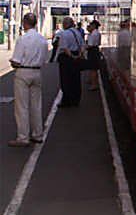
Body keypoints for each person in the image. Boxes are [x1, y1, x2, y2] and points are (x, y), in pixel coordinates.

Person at [8, 13, 48, 147]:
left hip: (23, 73)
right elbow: (45, 59)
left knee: (22, 107)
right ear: (36, 23)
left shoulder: (22, 39)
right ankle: (38, 134)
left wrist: (13, 63)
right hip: (37, 72)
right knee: (36, 105)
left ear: (25, 23)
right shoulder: (43, 40)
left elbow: (16, 61)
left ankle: (23, 137)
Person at [57, 17, 85, 107]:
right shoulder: (77, 32)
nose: (63, 25)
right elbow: (82, 45)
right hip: (77, 56)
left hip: (67, 58)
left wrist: (72, 56)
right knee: (76, 79)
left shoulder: (64, 34)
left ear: (66, 24)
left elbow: (65, 48)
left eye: (64, 23)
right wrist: (79, 55)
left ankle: (67, 101)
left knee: (66, 80)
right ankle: (76, 100)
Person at [86, 20, 101, 91]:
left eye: (91, 25)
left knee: (93, 69)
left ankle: (94, 84)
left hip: (92, 51)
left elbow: (90, 45)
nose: (90, 27)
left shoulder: (93, 34)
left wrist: (84, 48)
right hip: (95, 50)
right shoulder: (97, 33)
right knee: (93, 68)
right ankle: (93, 82)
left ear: (94, 26)